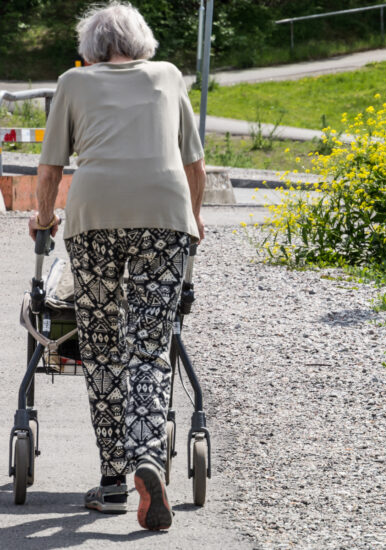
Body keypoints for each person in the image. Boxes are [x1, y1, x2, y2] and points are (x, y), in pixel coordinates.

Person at [27, 1, 206, 531]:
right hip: (164, 216)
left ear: (92, 47)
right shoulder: (169, 76)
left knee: (103, 346)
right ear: (142, 41)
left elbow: (51, 165)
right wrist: (193, 219)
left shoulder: (72, 83)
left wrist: (42, 216)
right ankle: (148, 455)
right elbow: (194, 164)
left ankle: (111, 483)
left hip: (95, 217)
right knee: (150, 345)